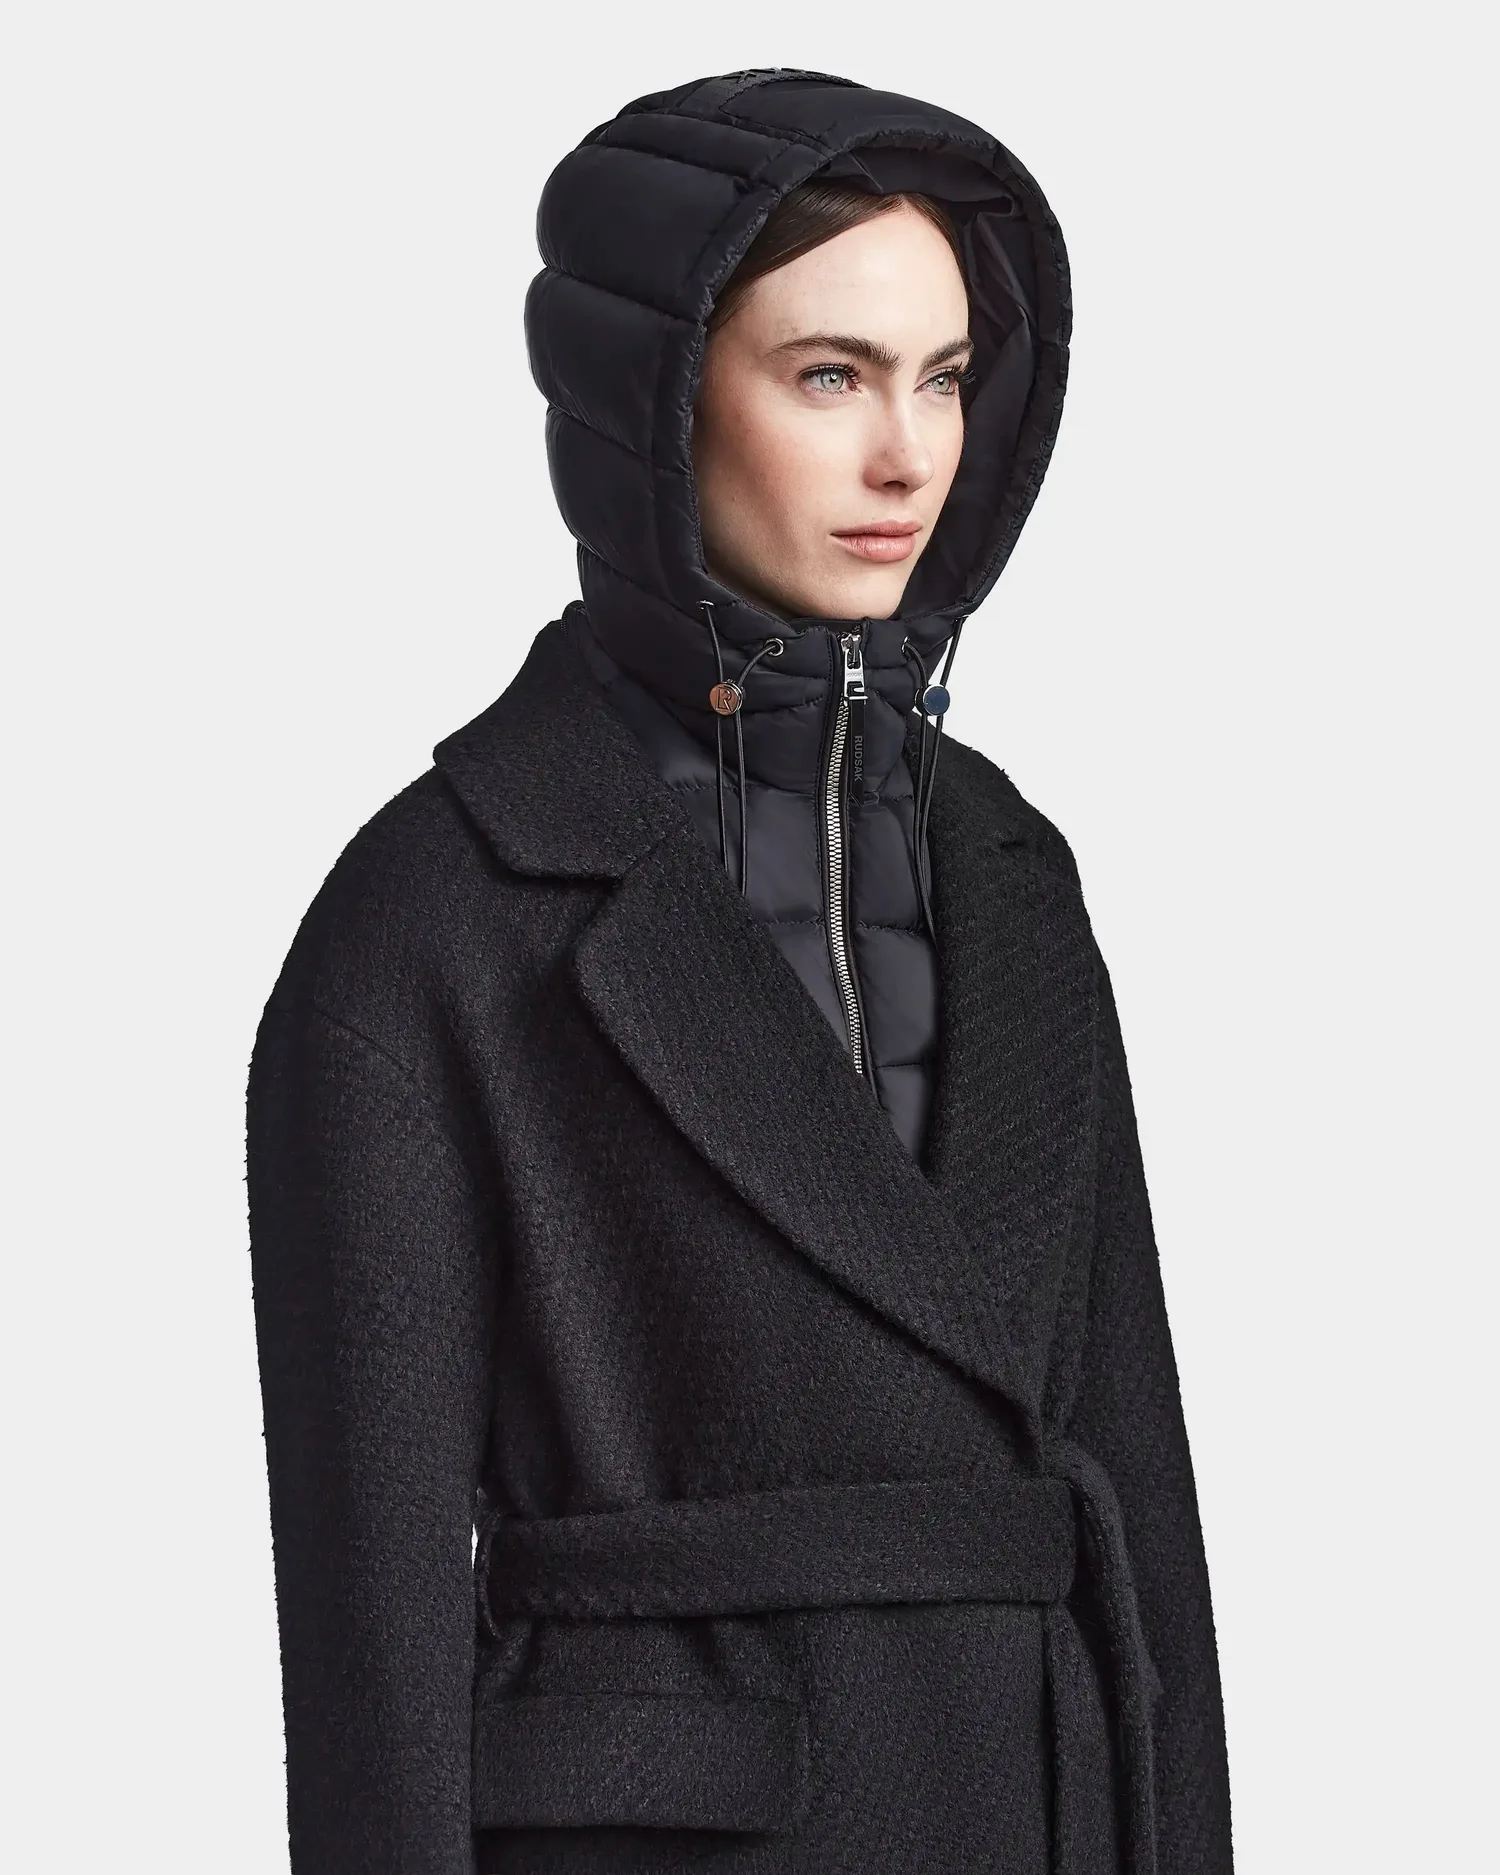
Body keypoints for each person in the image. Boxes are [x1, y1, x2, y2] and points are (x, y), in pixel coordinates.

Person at [247, 68, 1233, 1875]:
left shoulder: (1013, 873)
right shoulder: (440, 916)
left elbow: (1140, 1512)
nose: (908, 456)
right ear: (654, 395)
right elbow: (369, 1638)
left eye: (946, 376)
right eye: (831, 375)